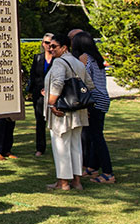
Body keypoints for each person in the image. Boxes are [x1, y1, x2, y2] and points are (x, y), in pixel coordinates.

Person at [44, 32, 93, 191]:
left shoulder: (59, 63)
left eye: (54, 46)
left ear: (64, 47)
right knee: (75, 145)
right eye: (49, 46)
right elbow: (89, 85)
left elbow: (57, 83)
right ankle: (76, 181)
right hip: (78, 110)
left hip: (62, 110)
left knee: (61, 145)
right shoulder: (78, 63)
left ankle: (63, 182)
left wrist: (51, 104)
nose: (50, 49)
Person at [72, 32, 115, 184]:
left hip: (93, 100)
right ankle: (92, 167)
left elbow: (83, 81)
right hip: (103, 98)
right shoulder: (97, 57)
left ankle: (108, 173)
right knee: (93, 134)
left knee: (97, 137)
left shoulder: (84, 58)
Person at [27, 32, 55, 157]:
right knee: (40, 121)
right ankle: (40, 148)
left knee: (55, 122)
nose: (49, 46)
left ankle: (57, 148)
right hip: (39, 95)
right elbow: (33, 76)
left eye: (51, 43)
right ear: (43, 44)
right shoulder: (37, 58)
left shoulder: (58, 59)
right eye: (46, 42)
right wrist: (31, 91)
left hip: (54, 94)